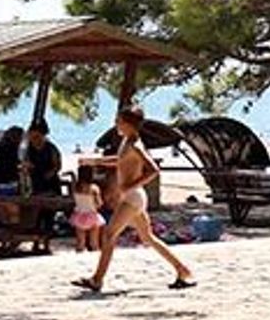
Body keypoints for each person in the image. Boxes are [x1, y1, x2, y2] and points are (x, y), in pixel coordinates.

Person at [73, 106, 195, 293]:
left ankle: (97, 279)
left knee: (109, 234)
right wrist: (94, 161)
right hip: (133, 197)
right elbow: (120, 161)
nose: (116, 124)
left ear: (129, 124)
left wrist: (130, 185)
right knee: (148, 237)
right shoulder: (127, 141)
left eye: (119, 121)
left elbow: (153, 170)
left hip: (133, 197)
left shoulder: (135, 144)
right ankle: (182, 270)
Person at [70, 166, 104, 252]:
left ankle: (79, 254)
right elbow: (99, 203)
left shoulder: (76, 187)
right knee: (94, 243)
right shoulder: (94, 188)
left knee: (80, 242)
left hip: (79, 215)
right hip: (92, 215)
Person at [23, 120, 62, 195]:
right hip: (33, 184)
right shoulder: (28, 149)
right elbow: (24, 163)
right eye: (31, 137)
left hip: (50, 184)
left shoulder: (51, 148)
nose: (33, 140)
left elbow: (57, 166)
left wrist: (50, 173)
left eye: (36, 137)